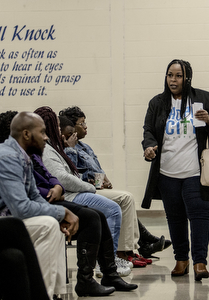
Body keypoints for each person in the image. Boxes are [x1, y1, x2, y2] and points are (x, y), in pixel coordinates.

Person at [0, 110, 138, 295]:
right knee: (90, 217)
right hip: (29, 207)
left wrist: (56, 187)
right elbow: (25, 192)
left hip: (47, 199)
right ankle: (85, 280)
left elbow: (49, 176)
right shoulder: (5, 157)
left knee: (98, 215)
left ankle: (108, 274)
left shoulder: (28, 153)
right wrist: (53, 194)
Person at [0, 111, 79, 299]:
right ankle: (42, 295)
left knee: (51, 224)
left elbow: (34, 198)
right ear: (26, 134)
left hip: (0, 224)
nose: (46, 138)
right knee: (47, 226)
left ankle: (53, 294)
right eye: (42, 133)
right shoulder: (7, 157)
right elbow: (21, 209)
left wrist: (57, 215)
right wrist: (62, 211)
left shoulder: (23, 158)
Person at [142, 59, 209, 281]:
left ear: (187, 77)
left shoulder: (204, 98)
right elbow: (148, 130)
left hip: (197, 172)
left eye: (178, 76)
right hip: (167, 173)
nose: (173, 80)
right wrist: (149, 147)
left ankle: (200, 262)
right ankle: (181, 260)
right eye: (170, 75)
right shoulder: (157, 103)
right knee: (175, 217)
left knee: (200, 216)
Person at [58, 107, 169, 259]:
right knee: (125, 199)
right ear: (72, 127)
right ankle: (127, 250)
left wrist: (104, 180)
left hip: (94, 188)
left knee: (124, 199)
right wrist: (71, 151)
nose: (85, 127)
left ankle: (138, 245)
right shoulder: (66, 148)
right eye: (81, 123)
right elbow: (73, 176)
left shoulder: (85, 147)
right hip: (81, 191)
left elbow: (97, 170)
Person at [33, 107, 135, 273]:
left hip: (76, 191)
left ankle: (109, 260)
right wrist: (90, 186)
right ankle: (109, 261)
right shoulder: (47, 149)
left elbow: (64, 175)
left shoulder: (55, 147)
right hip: (71, 195)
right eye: (57, 127)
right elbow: (63, 178)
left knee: (108, 211)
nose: (60, 130)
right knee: (113, 209)